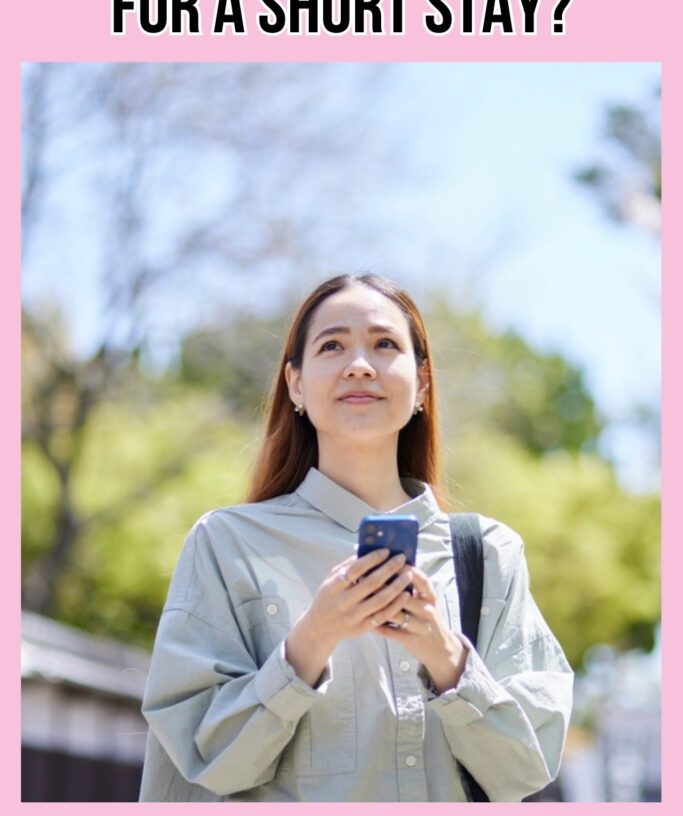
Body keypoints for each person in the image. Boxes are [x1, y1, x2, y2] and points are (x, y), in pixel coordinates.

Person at [139, 273, 573, 802]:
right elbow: (205, 760)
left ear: (423, 382)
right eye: (333, 345)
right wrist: (310, 642)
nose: (360, 364)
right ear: (295, 384)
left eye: (385, 344)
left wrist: (446, 659)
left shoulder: (490, 554)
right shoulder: (227, 544)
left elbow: (527, 768)